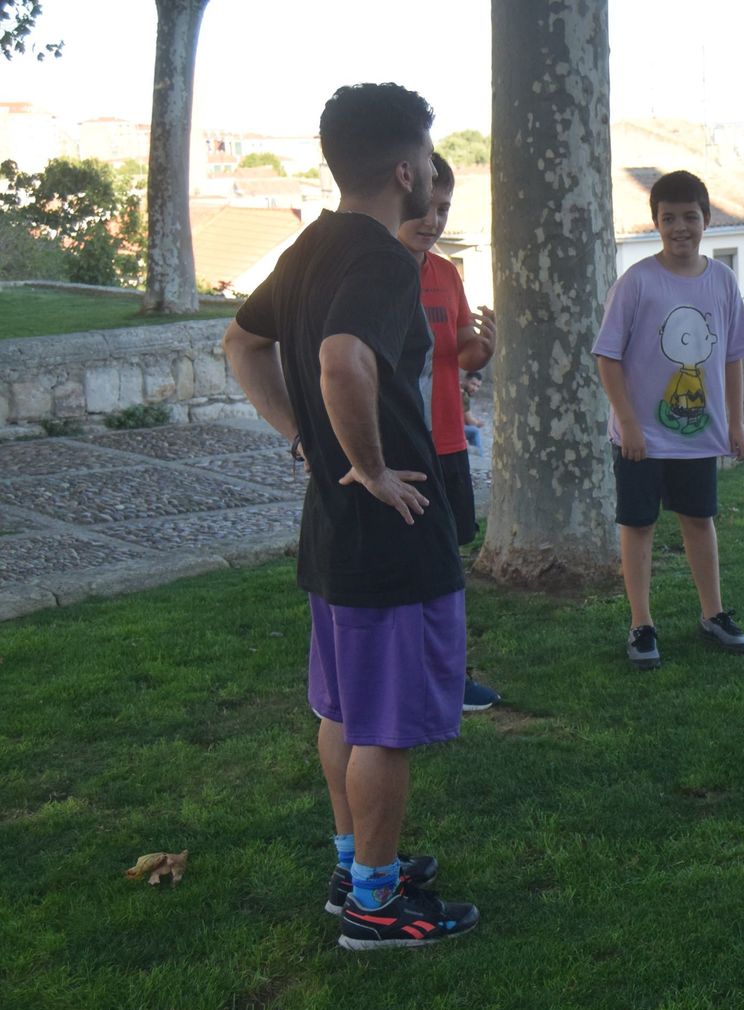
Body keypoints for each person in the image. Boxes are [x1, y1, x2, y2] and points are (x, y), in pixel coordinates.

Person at [223, 83, 478, 950]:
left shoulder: (312, 246)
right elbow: (339, 359)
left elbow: (242, 342)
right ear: (406, 169)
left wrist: (307, 440)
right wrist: (365, 466)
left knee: (343, 711)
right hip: (384, 533)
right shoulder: (374, 256)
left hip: (332, 538)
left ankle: (355, 866)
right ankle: (376, 904)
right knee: (386, 727)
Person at [592, 170, 744, 670]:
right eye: (669, 218)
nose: (680, 226)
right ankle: (641, 624)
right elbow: (608, 357)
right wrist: (630, 425)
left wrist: (735, 423)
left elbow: (732, 357)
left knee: (698, 520)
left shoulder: (722, 281)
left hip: (697, 436)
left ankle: (714, 614)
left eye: (690, 216)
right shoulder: (637, 281)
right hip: (640, 439)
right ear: (655, 223)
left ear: (707, 219)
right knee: (638, 525)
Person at [397, 152, 501, 712]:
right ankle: (409, 675)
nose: (433, 220)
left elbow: (462, 353)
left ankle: (449, 677)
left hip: (447, 444)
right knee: (404, 571)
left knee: (447, 569)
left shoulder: (446, 274)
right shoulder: (374, 273)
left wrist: (482, 349)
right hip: (394, 453)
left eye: (443, 209)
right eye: (425, 207)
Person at [462, 370, 486, 452]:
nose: (475, 388)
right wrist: (478, 423)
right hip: (451, 429)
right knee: (474, 431)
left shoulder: (463, 392)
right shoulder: (463, 394)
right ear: (466, 380)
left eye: (478, 386)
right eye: (473, 384)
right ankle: (480, 457)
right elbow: (470, 421)